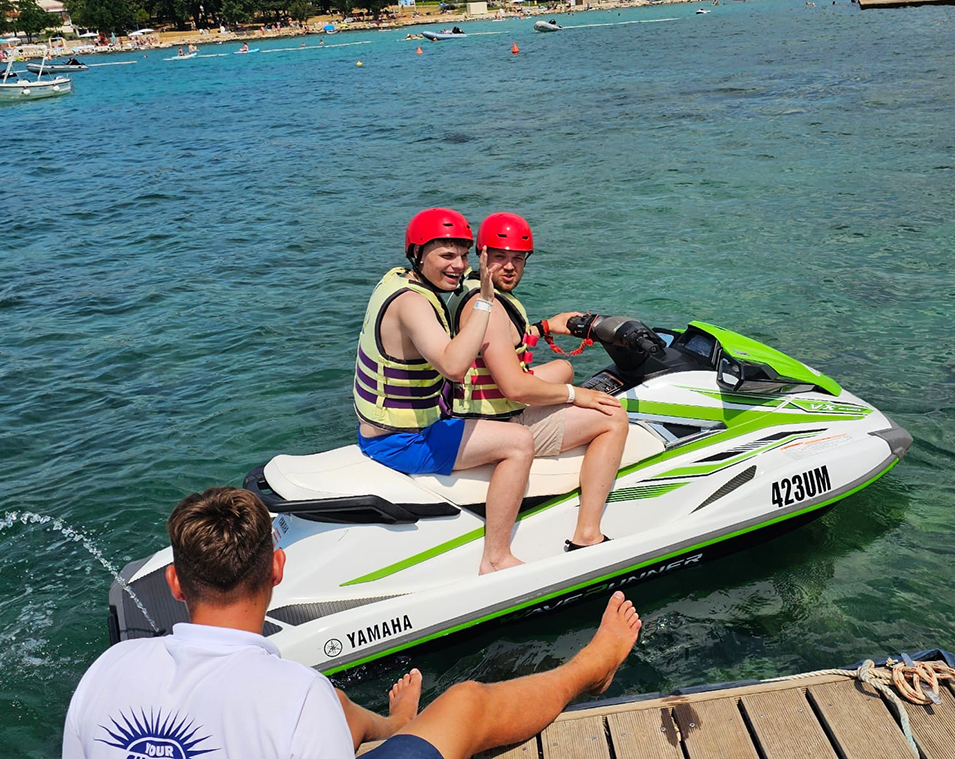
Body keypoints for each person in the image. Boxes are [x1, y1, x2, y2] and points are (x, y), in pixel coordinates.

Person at [62, 487, 643, 759]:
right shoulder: (293, 694)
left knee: (333, 705)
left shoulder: (107, 671)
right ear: (278, 568)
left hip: (307, 708)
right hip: (301, 709)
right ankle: (591, 668)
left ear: (174, 583)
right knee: (466, 704)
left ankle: (394, 724)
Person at [354, 208, 535, 574]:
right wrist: (484, 301)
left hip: (382, 430)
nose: (459, 265)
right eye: (447, 255)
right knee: (519, 442)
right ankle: (496, 557)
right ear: (418, 255)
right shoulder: (412, 304)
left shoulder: (395, 280)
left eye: (464, 255)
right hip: (402, 441)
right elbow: (453, 366)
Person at [448, 213, 629, 551]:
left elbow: (500, 344)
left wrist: (545, 327)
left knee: (562, 367)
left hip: (480, 401)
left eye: (518, 258)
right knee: (613, 417)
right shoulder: (488, 307)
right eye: (500, 257)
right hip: (496, 420)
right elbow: (515, 388)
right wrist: (576, 396)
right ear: (482, 254)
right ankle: (587, 533)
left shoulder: (471, 290)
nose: (509, 267)